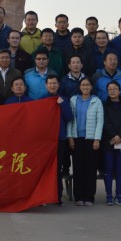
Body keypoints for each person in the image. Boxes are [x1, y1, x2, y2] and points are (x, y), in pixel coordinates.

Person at [67, 78, 103, 206]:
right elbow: (70, 120)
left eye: (88, 85)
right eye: (83, 85)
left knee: (90, 168)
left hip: (91, 139)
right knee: (78, 168)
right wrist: (70, 137)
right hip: (76, 139)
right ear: (80, 86)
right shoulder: (73, 100)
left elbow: (100, 121)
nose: (85, 87)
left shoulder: (96, 101)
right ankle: (79, 196)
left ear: (91, 87)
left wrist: (97, 139)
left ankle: (89, 197)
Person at [41, 75, 73, 205]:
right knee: (44, 168)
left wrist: (62, 104)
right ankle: (43, 197)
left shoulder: (64, 99)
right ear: (46, 85)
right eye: (50, 83)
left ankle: (57, 197)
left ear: (58, 85)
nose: (52, 85)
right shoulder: (41, 100)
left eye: (54, 83)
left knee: (57, 168)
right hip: (45, 140)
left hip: (60, 138)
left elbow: (69, 117)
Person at [101, 81, 121, 206]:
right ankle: (109, 195)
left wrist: (120, 135)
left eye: (115, 88)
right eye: (110, 89)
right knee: (108, 170)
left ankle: (119, 195)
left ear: (119, 90)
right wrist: (114, 135)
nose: (112, 91)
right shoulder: (104, 104)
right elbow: (105, 121)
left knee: (120, 170)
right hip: (108, 141)